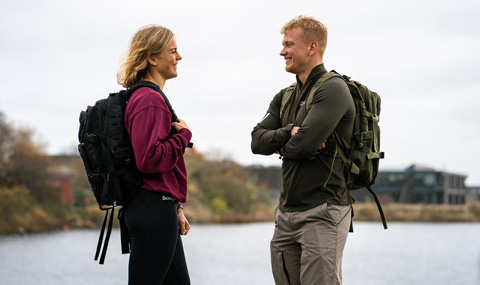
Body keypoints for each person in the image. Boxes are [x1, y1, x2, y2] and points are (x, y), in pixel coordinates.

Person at [251, 16, 355, 285]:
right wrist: (288, 132)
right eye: (283, 44)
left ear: (311, 47)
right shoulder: (284, 96)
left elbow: (301, 146)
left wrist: (293, 141)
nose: (282, 51)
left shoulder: (333, 89)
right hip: (285, 215)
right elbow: (256, 142)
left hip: (323, 213)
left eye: (288, 44)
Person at [117, 25, 192, 285]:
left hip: (159, 207)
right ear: (152, 58)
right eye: (172, 51)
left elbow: (158, 168)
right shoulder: (149, 100)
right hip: (152, 211)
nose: (179, 57)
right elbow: (148, 160)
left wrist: (176, 207)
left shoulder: (147, 97)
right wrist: (183, 136)